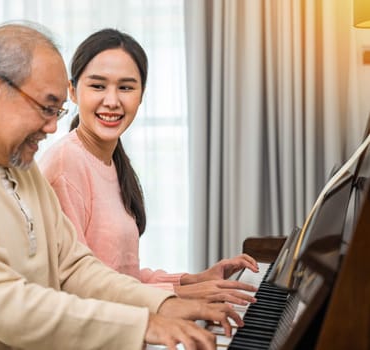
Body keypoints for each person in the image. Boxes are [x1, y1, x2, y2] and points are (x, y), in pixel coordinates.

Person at [0, 22, 243, 350]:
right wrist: (143, 323)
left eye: (56, 112)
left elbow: (74, 267)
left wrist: (165, 303)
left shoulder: (20, 169)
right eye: (46, 107)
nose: (53, 128)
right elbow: (6, 306)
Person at [39, 28, 259, 305]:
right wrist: (181, 294)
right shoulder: (66, 163)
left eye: (126, 87)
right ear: (72, 91)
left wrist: (195, 279)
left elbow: (120, 275)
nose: (112, 101)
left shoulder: (112, 161)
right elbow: (77, 285)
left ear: (141, 95)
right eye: (98, 86)